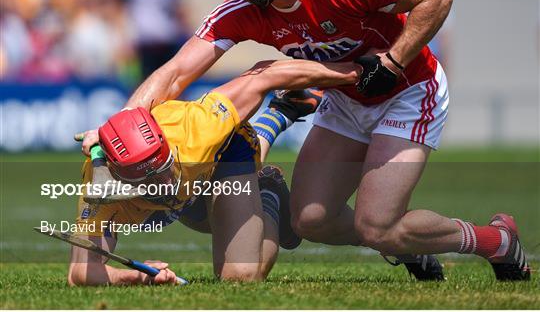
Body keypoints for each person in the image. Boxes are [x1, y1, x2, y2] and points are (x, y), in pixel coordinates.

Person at [81, 0, 530, 281]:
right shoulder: (243, 9)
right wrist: (121, 128)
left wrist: (393, 62)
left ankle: (496, 241)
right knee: (310, 219)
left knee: (377, 223)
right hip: (347, 100)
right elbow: (176, 71)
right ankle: (406, 245)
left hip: (409, 92)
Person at [68, 58, 362, 286]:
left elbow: (264, 73)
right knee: (206, 220)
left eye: (164, 169)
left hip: (225, 155)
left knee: (242, 276)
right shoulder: (101, 190)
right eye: (152, 182)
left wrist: (352, 74)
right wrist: (139, 277)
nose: (166, 183)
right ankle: (282, 112)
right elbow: (81, 273)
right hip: (193, 182)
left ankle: (267, 190)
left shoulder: (199, 128)